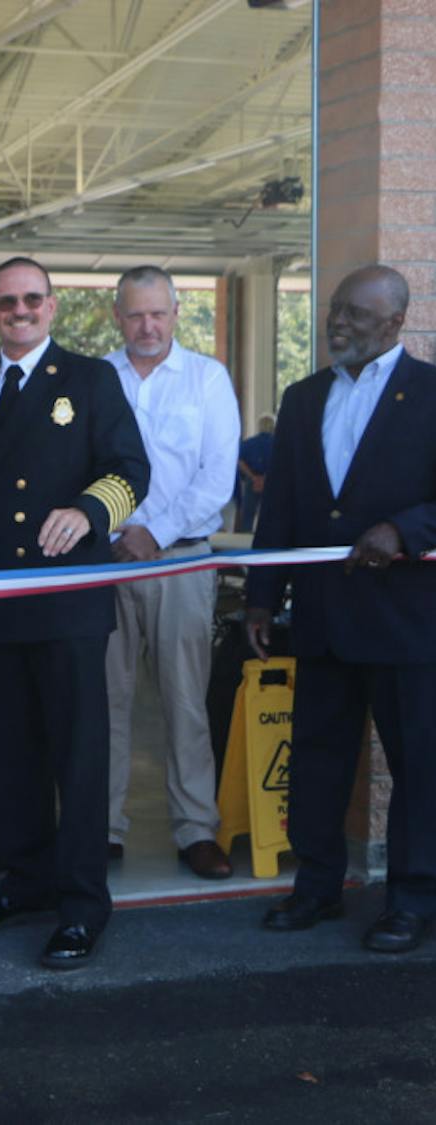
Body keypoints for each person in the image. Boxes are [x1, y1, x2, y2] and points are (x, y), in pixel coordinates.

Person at [0, 257, 149, 971]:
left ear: (52, 306)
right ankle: (23, 882)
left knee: (76, 760)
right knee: (8, 755)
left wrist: (88, 511)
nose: (18, 311)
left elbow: (129, 471)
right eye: (5, 302)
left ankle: (84, 905)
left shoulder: (89, 379)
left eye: (31, 300)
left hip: (66, 602)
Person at [247, 264, 436, 953]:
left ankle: (412, 899)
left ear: (394, 322)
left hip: (407, 622)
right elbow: (283, 508)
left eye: (356, 313)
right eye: (335, 309)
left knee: (418, 765)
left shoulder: (432, 393)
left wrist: (405, 531)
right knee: (319, 757)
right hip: (323, 614)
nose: (338, 322)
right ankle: (318, 886)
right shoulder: (303, 398)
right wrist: (262, 595)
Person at [103, 266, 240, 879]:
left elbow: (217, 477)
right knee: (103, 700)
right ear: (117, 316)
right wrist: (114, 532)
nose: (148, 325)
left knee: (186, 698)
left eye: (159, 313)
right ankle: (100, 828)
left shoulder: (208, 379)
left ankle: (195, 829)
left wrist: (152, 533)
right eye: (136, 314)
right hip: (103, 563)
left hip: (182, 557)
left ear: (177, 312)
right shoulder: (96, 378)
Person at [236, 413, 276, 532]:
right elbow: (281, 462)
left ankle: (245, 540)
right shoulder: (278, 443)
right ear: (273, 426)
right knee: (271, 512)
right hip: (271, 481)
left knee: (248, 513)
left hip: (251, 480)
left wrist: (253, 477)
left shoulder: (249, 443)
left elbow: (239, 461)